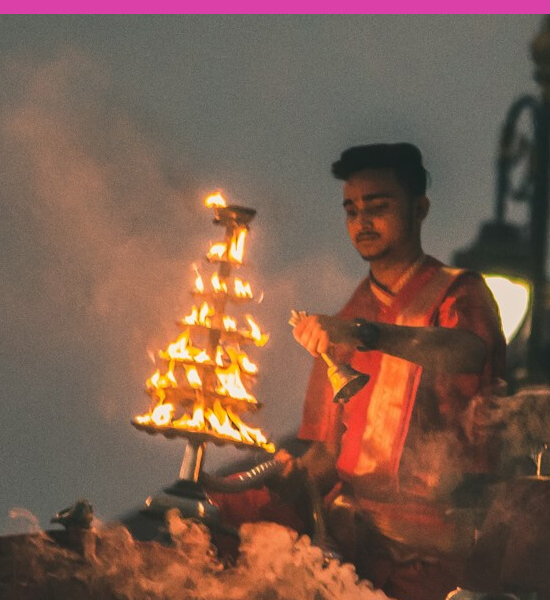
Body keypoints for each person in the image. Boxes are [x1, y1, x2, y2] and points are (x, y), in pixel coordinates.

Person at [214, 143, 506, 600]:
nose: (362, 222)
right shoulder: (345, 319)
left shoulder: (458, 294)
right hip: (353, 554)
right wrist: (274, 480)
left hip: (439, 558)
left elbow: (467, 355)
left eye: (378, 207)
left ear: (420, 209)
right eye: (351, 211)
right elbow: (327, 454)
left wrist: (369, 335)